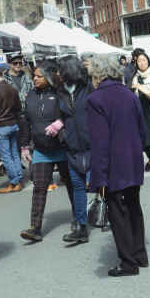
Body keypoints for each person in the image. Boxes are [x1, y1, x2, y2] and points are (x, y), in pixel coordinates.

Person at [88, 54, 148, 277]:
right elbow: (142, 131)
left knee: (117, 212)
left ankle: (128, 262)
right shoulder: (129, 94)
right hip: (132, 159)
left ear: (97, 75)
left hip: (113, 163)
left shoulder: (96, 99)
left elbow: (99, 142)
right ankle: (139, 254)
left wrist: (99, 177)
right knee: (134, 207)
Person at [19, 61, 74, 242]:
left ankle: (79, 219)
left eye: (39, 76)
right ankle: (35, 228)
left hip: (61, 147)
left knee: (73, 186)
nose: (34, 78)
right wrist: (25, 145)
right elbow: (26, 121)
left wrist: (60, 123)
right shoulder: (31, 96)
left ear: (49, 77)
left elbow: (72, 114)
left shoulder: (60, 93)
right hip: (41, 149)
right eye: (34, 75)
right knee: (39, 188)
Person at [57, 56, 93, 244]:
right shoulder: (60, 91)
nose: (57, 74)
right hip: (72, 147)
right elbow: (59, 116)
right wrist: (62, 134)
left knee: (102, 185)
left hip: (93, 145)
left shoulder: (88, 88)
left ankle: (110, 216)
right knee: (78, 186)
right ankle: (81, 226)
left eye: (60, 70)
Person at [0, 66, 23, 193]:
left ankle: (14, 182)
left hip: (1, 126)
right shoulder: (12, 88)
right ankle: (18, 179)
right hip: (13, 123)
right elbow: (18, 106)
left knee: (6, 156)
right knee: (14, 154)